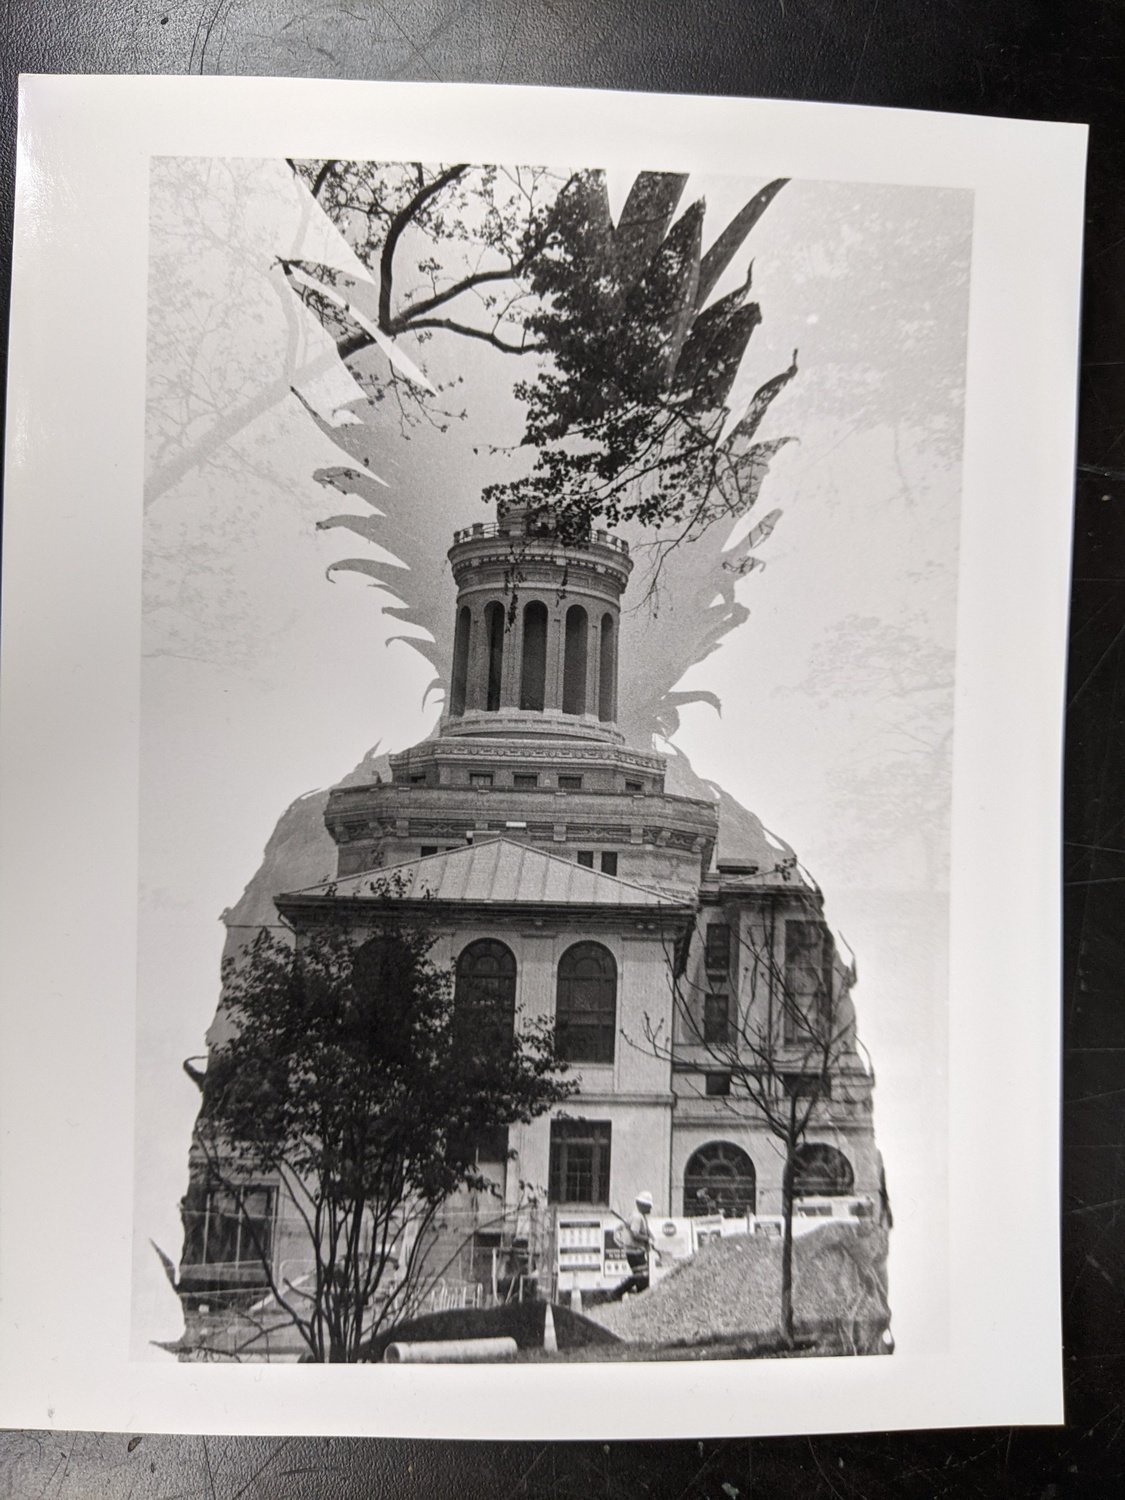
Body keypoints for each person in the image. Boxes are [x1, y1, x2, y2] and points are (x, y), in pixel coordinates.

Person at [611, 1191, 656, 1299]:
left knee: (643, 1277)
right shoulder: (637, 1217)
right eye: (649, 1206)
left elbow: (645, 1230)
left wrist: (651, 1236)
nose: (650, 1208)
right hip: (634, 1251)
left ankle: (641, 1297)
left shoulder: (640, 1216)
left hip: (637, 1250)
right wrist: (647, 1239)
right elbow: (635, 1234)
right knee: (642, 1275)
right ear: (642, 1205)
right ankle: (616, 1293)